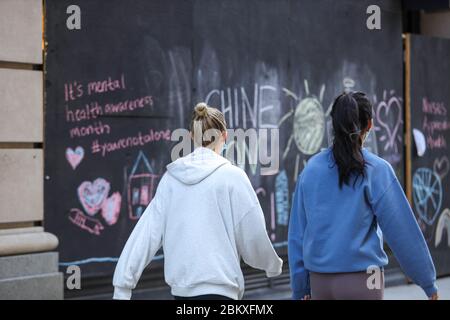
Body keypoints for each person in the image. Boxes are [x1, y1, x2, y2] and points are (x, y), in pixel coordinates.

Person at [113, 102, 283, 300]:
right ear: (225, 135)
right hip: (222, 292)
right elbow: (253, 234)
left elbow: (147, 233)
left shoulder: (171, 180)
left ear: (192, 136)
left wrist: (122, 287)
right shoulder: (233, 177)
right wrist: (271, 265)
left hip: (182, 294)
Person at [288, 92, 439, 300]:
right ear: (369, 124)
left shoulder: (310, 171)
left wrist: (300, 289)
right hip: (365, 281)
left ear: (333, 124)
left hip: (320, 283)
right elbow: (403, 232)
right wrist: (428, 283)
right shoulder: (376, 170)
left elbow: (298, 235)